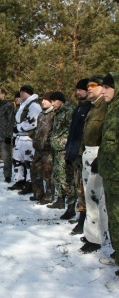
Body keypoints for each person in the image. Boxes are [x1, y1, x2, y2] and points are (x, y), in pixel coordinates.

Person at [79, 75, 108, 254]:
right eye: (88, 86)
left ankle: (97, 238)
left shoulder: (105, 107)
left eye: (93, 85)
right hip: (88, 153)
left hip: (97, 153)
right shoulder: (93, 107)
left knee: (96, 197)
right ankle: (91, 234)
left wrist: (101, 155)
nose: (89, 88)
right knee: (89, 197)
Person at [98, 72, 119, 278]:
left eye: (107, 87)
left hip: (117, 174)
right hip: (110, 173)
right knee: (114, 217)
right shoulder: (111, 108)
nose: (102, 91)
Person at [65, 79, 92, 231]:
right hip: (75, 153)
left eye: (80, 90)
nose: (78, 92)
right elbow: (72, 133)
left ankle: (84, 221)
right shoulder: (78, 109)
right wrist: (69, 151)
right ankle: (81, 217)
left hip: (85, 154)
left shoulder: (91, 108)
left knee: (84, 189)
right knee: (78, 187)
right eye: (77, 90)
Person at [46, 92, 75, 211]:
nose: (52, 104)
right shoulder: (58, 112)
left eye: (53, 101)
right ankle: (60, 199)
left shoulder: (69, 111)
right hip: (56, 148)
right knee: (57, 175)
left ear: (60, 100)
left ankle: (71, 204)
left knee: (66, 177)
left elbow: (73, 130)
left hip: (64, 149)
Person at [10, 85, 42, 194]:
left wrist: (18, 128)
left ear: (25, 92)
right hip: (20, 137)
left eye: (21, 93)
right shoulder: (23, 105)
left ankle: (30, 183)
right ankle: (19, 181)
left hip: (28, 137)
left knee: (29, 162)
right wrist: (14, 135)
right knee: (17, 160)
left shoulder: (34, 106)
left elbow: (32, 122)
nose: (20, 95)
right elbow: (17, 121)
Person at [30, 92, 55, 204]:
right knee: (34, 170)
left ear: (51, 102)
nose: (43, 102)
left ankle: (49, 196)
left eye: (46, 100)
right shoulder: (41, 114)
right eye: (42, 100)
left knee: (48, 173)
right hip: (38, 148)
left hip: (48, 149)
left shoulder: (54, 114)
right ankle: (38, 193)